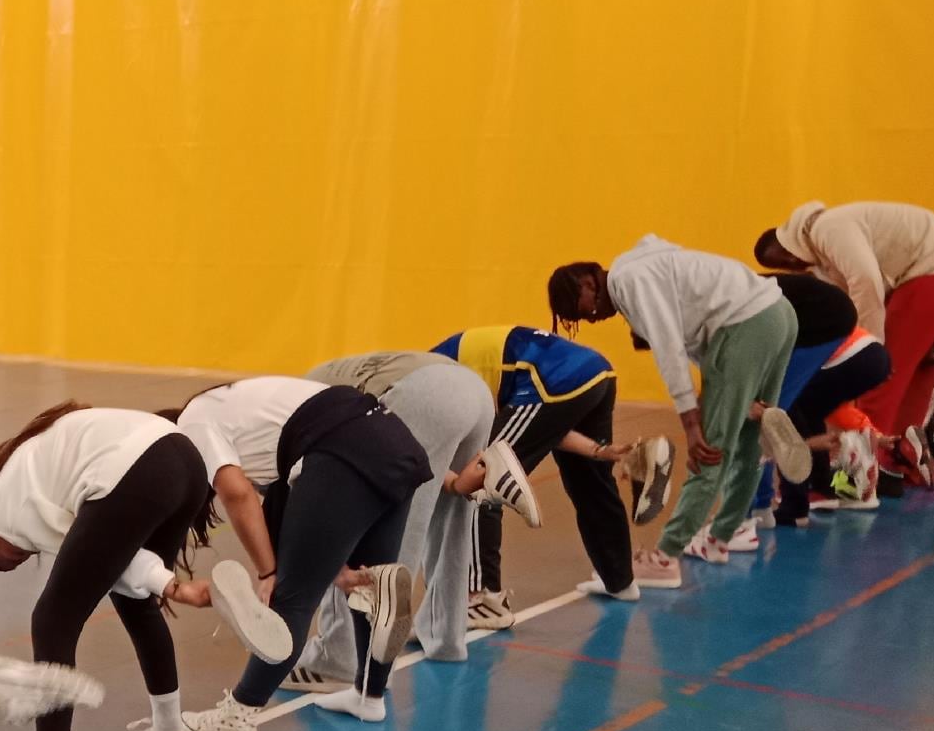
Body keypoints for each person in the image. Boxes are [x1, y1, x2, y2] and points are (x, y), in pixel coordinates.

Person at [0, 402, 266, 731]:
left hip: (137, 469)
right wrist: (172, 586)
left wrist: (169, 585)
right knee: (137, 602)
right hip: (183, 458)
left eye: (12, 555)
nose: (24, 554)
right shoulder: (30, 469)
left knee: (52, 620)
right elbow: (115, 554)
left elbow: (112, 554)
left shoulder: (5, 509)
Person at [174, 377, 430, 731]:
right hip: (392, 441)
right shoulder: (249, 419)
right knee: (369, 584)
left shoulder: (190, 423)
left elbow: (237, 493)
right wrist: (332, 567)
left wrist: (268, 572)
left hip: (344, 449)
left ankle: (237, 718)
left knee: (291, 600)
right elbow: (302, 511)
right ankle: (369, 695)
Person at [547, 238, 804, 588]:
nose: (591, 318)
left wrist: (692, 424)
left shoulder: (630, 282)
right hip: (778, 314)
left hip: (745, 326)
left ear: (588, 284)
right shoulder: (641, 266)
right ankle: (720, 538)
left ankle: (665, 558)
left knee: (708, 451)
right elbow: (695, 338)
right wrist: (725, 393)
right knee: (748, 439)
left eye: (585, 311)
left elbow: (669, 349)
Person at [277, 352, 492, 689]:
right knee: (454, 518)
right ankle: (445, 636)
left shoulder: (290, 418)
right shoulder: (311, 382)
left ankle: (340, 660)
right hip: (473, 392)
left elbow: (318, 498)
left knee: (371, 527)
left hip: (422, 396)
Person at [430, 326, 669, 617]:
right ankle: (620, 580)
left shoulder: (427, 389)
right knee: (590, 482)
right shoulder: (443, 369)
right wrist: (598, 450)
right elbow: (548, 426)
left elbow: (461, 459)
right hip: (596, 373)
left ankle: (482, 600)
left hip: (550, 381)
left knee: (483, 481)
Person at [756, 201, 934, 484]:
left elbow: (866, 282)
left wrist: (871, 349)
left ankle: (863, 473)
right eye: (782, 266)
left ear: (786, 242)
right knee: (919, 373)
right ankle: (899, 457)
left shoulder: (826, 228)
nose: (790, 265)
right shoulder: (824, 256)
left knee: (880, 379)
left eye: (783, 258)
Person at [762, 271, 892, 524]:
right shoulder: (769, 292)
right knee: (808, 411)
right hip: (870, 351)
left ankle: (796, 504)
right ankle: (820, 488)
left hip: (851, 353)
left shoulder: (748, 307)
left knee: (788, 409)